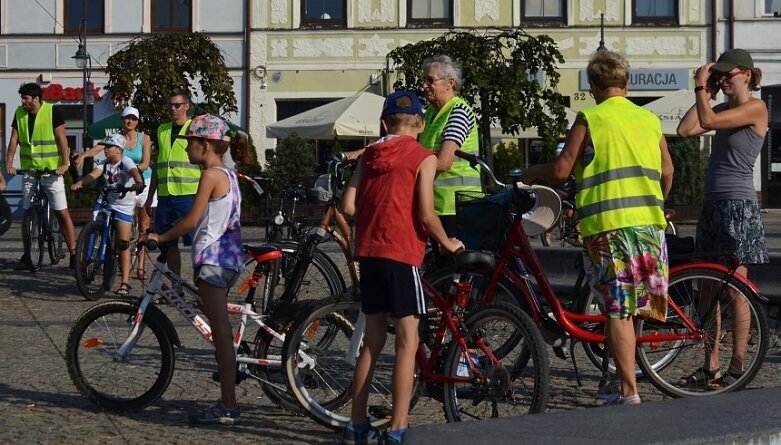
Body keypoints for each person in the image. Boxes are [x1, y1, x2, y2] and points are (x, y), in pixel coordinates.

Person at [520, 50, 674, 406]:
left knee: (617, 311)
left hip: (610, 227)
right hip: (650, 225)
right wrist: (656, 202)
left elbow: (561, 170)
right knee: (634, 308)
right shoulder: (649, 120)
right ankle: (621, 380)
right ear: (627, 82)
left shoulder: (590, 117)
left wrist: (533, 173)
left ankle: (628, 391)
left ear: (593, 86)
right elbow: (667, 171)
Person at [340, 90, 464, 444]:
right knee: (407, 344)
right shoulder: (423, 156)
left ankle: (356, 424)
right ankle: (397, 428)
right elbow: (426, 213)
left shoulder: (370, 155)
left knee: (372, 342)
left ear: (383, 123)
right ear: (422, 125)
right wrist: (447, 242)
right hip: (401, 254)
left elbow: (348, 206)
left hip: (369, 254)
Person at [147, 114, 249, 425]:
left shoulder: (210, 176)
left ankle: (228, 405)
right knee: (217, 326)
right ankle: (229, 388)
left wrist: (160, 236)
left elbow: (191, 221)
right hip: (228, 259)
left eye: (189, 142)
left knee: (221, 336)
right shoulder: (229, 174)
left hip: (215, 260)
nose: (186, 149)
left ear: (205, 145)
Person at [676, 48, 769, 387]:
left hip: (738, 206)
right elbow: (686, 129)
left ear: (746, 73)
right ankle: (710, 363)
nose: (725, 79)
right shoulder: (720, 107)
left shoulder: (756, 108)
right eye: (721, 75)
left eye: (729, 74)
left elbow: (709, 122)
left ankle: (738, 366)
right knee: (706, 286)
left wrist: (702, 88)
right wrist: (707, 92)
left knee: (736, 289)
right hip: (713, 205)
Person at [74, 106, 156, 280]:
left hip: (142, 181)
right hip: (121, 181)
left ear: (137, 121)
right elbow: (99, 148)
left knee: (143, 225)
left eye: (133, 119)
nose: (129, 122)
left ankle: (140, 265)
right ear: (122, 120)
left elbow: (146, 163)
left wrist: (130, 170)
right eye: (127, 118)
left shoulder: (144, 138)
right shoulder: (115, 137)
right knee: (117, 216)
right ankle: (114, 250)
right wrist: (83, 156)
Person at [6, 83, 77, 271]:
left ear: (36, 99)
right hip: (30, 172)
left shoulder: (52, 111)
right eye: (22, 98)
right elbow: (14, 139)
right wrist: (9, 163)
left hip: (52, 172)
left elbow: (62, 138)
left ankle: (74, 253)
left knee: (62, 213)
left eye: (26, 98)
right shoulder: (19, 113)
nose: (23, 102)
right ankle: (27, 255)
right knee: (27, 213)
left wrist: (64, 163)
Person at [71, 134, 144, 296]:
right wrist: (80, 183)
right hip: (105, 200)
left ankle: (124, 282)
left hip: (123, 203)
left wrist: (138, 182)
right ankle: (83, 267)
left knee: (123, 243)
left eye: (109, 147)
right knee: (90, 229)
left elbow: (134, 172)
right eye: (105, 147)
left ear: (118, 150)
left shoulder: (126, 161)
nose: (105, 150)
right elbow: (93, 175)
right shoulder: (104, 163)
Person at [418, 54, 482, 236]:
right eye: (424, 80)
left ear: (450, 83)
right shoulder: (430, 112)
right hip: (437, 205)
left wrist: (406, 169)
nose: (424, 85)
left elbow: (444, 162)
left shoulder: (459, 112)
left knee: (455, 262)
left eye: (430, 80)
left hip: (457, 207)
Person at [145, 88, 198, 281]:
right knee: (168, 245)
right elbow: (159, 163)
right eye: (170, 105)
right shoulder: (162, 129)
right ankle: (177, 285)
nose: (173, 109)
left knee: (196, 244)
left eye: (177, 105)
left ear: (187, 106)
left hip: (189, 196)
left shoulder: (195, 129)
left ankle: (201, 286)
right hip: (166, 197)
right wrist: (151, 195)